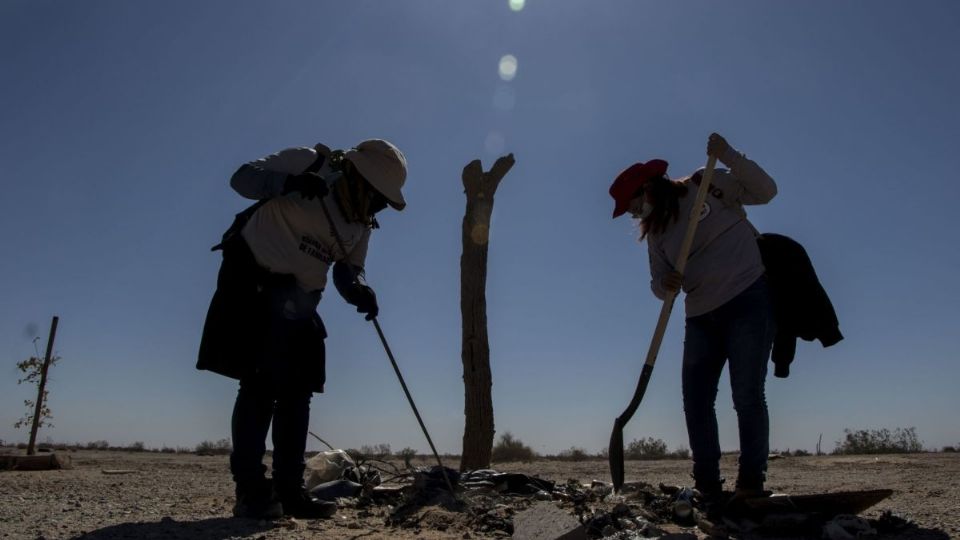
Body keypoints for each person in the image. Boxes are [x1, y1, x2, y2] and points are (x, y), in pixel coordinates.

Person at [197, 139, 408, 520]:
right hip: (252, 278)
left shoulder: (361, 222)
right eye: (378, 196)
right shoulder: (309, 162)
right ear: (359, 177)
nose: (378, 207)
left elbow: (347, 268)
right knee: (260, 384)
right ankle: (250, 490)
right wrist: (287, 184)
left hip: (300, 297)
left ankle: (290, 490)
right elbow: (241, 178)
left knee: (299, 390)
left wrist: (358, 290)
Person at [608, 133, 778, 516]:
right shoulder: (656, 234)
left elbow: (766, 191)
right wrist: (663, 285)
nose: (635, 214)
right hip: (701, 316)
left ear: (648, 188)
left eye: (634, 205)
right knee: (696, 401)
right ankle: (707, 485)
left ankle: (751, 483)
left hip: (748, 298)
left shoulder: (708, 182)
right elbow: (658, 281)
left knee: (747, 394)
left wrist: (730, 155)